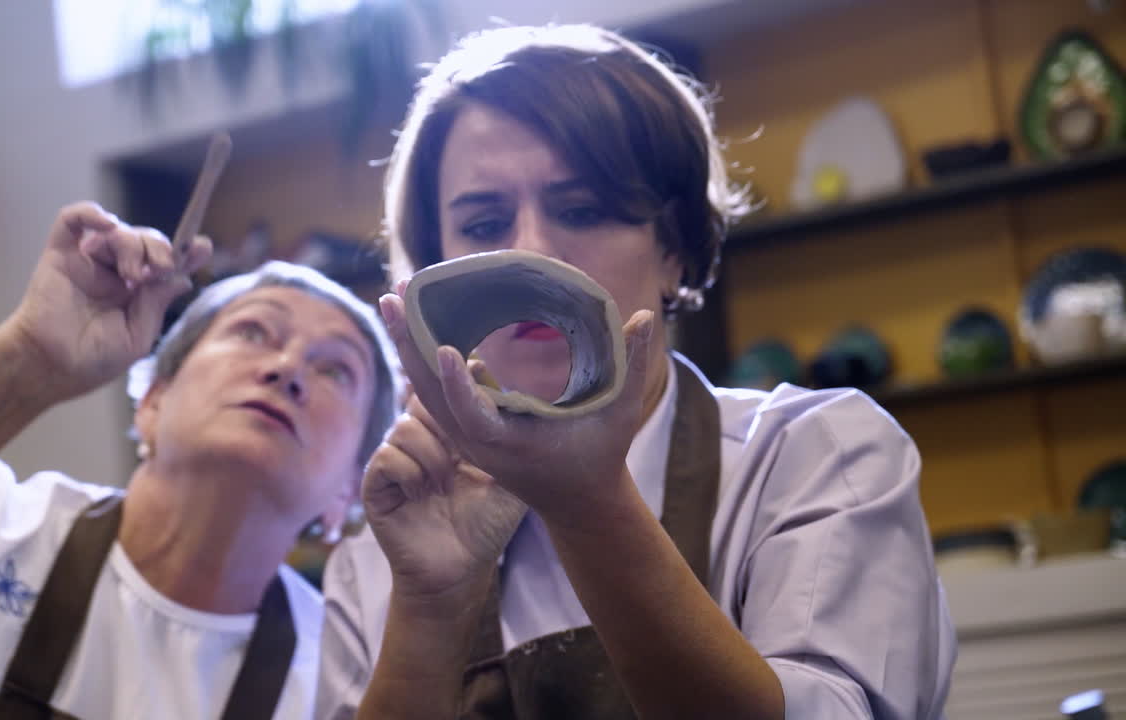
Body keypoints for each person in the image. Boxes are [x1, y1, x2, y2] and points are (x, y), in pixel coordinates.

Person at [316, 24, 956, 720]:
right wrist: (429, 611)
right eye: (482, 224)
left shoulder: (814, 460)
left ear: (674, 247)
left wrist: (589, 502)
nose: (530, 254)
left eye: (581, 210)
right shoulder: (384, 557)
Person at [0, 202, 401, 719]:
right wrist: (28, 357)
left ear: (348, 493)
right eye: (253, 331)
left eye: (335, 370)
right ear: (153, 401)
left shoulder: (344, 683)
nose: (287, 370)